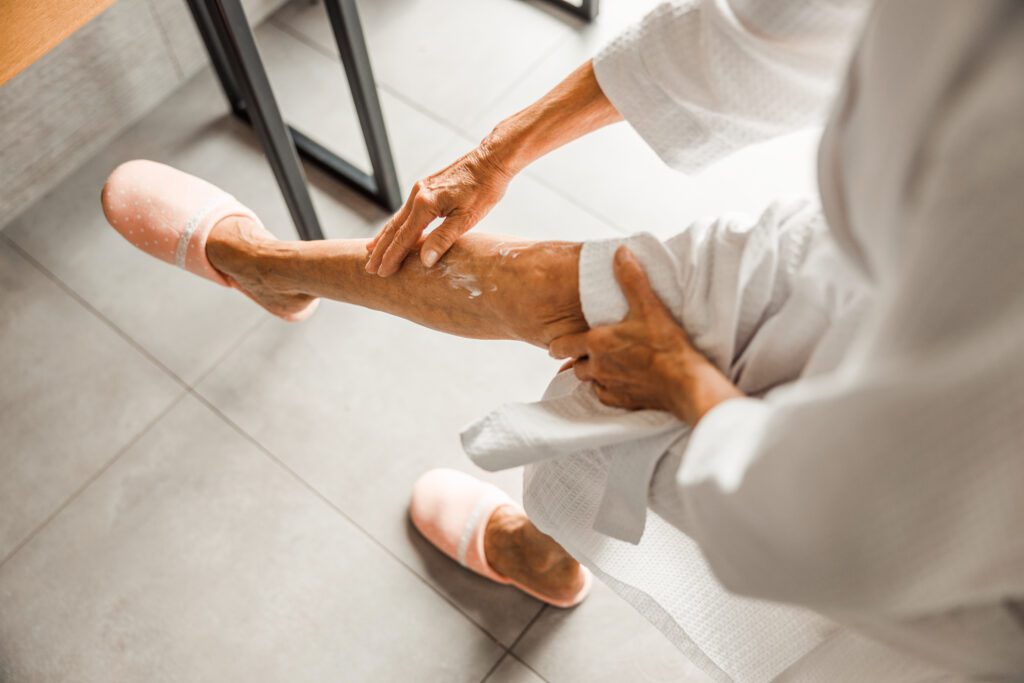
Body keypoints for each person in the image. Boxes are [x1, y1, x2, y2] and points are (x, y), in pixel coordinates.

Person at [102, 0, 1024, 678]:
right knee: (591, 295)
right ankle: (271, 269)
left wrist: (690, 388)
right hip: (892, 255)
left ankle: (266, 272)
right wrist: (501, 148)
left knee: (671, 421)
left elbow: (854, 529)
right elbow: (781, 29)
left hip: (958, 534)